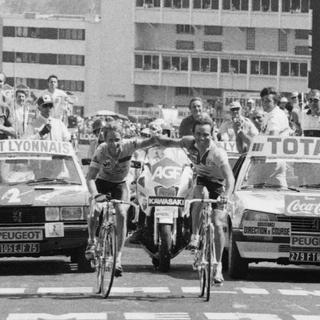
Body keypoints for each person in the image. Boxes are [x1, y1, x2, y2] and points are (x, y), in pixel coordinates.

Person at [156, 117, 235, 285]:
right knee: (199, 194)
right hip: (202, 179)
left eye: (206, 135)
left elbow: (230, 178)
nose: (202, 138)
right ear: (193, 134)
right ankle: (195, 236)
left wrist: (226, 194)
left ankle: (218, 265)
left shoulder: (217, 153)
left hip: (219, 184)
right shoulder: (188, 143)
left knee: (218, 223)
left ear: (212, 134)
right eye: (198, 134)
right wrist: (153, 140)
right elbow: (169, 142)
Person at [85, 122, 158, 277]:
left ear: (122, 138)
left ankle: (117, 257)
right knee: (95, 210)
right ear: (105, 140)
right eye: (110, 140)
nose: (114, 143)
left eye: (117, 139)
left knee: (122, 213)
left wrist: (166, 140)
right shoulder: (101, 150)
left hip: (120, 185)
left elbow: (150, 141)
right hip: (102, 183)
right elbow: (90, 177)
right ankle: (91, 241)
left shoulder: (129, 145)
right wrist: (95, 196)